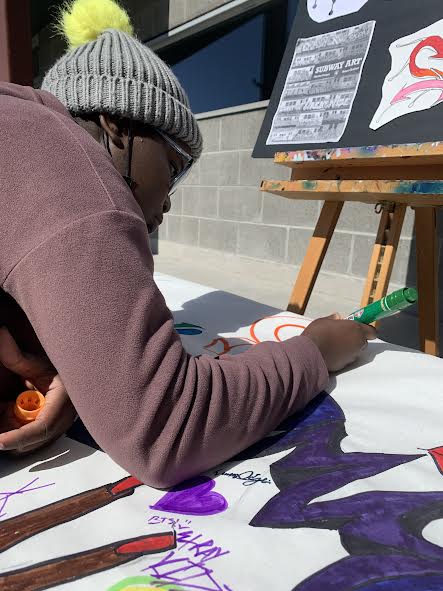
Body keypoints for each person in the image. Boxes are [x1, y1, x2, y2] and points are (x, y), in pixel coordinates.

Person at [0, 0, 375, 487]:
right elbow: (168, 427)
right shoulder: (75, 175)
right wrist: (317, 351)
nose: (169, 202)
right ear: (118, 126)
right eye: (173, 168)